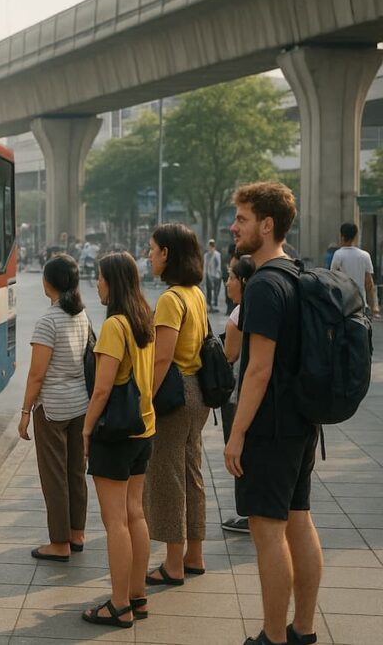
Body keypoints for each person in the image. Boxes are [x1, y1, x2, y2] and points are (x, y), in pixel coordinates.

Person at [225, 181, 320, 645]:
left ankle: (271, 637)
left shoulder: (263, 285)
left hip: (271, 427)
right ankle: (301, 629)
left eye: (242, 219)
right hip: (302, 424)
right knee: (300, 520)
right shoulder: (297, 273)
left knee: (267, 531)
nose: (234, 227)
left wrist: (236, 434)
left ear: (267, 225)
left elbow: (257, 370)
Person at [80, 252, 155, 629]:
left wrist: (86, 430)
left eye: (99, 277)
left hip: (115, 433)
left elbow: (102, 389)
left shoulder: (114, 327)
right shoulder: (145, 319)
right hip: (144, 429)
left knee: (115, 522)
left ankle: (119, 604)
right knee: (135, 513)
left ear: (114, 282)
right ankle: (138, 595)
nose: (96, 284)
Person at [144, 224, 211, 587]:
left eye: (152, 249)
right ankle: (194, 554)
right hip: (197, 392)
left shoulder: (171, 299)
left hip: (175, 394)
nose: (149, 255)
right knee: (191, 473)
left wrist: (145, 400)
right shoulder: (195, 294)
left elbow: (161, 359)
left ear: (167, 253)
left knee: (168, 475)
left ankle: (172, 563)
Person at [18, 255, 91, 562]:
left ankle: (59, 543)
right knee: (76, 471)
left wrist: (24, 413)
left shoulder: (48, 321)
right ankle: (77, 534)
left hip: (52, 410)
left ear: (48, 282)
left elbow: (37, 374)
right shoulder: (82, 315)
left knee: (54, 476)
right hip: (80, 405)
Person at [221, 254, 257, 534]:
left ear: (243, 281)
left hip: (238, 395)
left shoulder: (238, 315)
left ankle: (248, 511)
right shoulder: (260, 307)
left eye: (231, 277)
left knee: (239, 453)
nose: (227, 282)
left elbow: (229, 355)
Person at [330, 222, 379, 318]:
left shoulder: (338, 255)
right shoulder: (365, 255)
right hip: (360, 304)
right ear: (355, 236)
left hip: (343, 304)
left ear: (341, 236)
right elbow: (369, 284)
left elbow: (332, 279)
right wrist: (374, 306)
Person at [203, 239, 222, 312]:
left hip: (216, 275)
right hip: (208, 274)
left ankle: (215, 306)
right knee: (209, 290)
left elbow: (218, 265)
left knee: (216, 291)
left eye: (212, 245)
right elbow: (205, 265)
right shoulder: (206, 255)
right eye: (210, 245)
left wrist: (218, 274)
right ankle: (209, 305)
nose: (210, 247)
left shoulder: (217, 254)